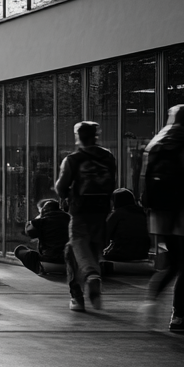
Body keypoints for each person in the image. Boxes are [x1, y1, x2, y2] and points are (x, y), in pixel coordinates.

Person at [142, 104, 184, 331]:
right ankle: (178, 317)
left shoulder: (157, 144)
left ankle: (151, 300)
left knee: (175, 263)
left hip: (160, 215)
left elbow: (145, 181)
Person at [56, 121, 117, 312]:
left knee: (77, 245)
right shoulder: (108, 157)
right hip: (102, 209)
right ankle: (82, 293)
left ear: (78, 136)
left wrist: (66, 196)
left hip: (80, 210)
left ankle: (89, 280)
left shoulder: (73, 159)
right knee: (89, 249)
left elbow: (60, 186)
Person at [16, 199, 71, 275]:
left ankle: (41, 269)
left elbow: (29, 232)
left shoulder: (41, 221)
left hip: (47, 262)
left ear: (42, 210)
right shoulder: (69, 218)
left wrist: (38, 217)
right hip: (69, 264)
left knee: (19, 250)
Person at [102, 188, 151, 263]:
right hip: (143, 253)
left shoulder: (117, 214)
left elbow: (106, 234)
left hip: (122, 253)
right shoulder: (142, 213)